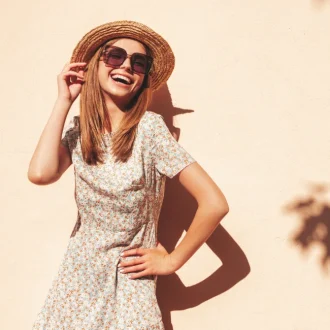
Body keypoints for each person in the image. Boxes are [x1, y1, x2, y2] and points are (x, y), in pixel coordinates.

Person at [28, 20, 229, 329]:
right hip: (76, 282)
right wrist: (64, 101)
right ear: (95, 65)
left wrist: (172, 260)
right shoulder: (81, 130)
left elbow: (214, 203)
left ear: (143, 78)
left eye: (139, 63)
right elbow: (40, 174)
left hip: (128, 286)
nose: (127, 66)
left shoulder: (149, 130)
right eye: (114, 55)